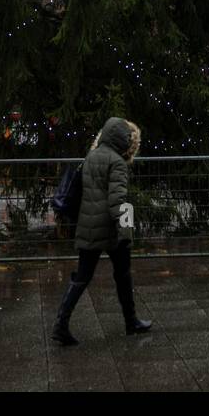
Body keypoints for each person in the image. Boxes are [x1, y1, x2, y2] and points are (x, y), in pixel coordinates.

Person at [51, 117, 152, 346]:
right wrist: (126, 230)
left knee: (82, 277)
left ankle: (61, 324)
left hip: (89, 227)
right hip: (111, 231)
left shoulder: (91, 156)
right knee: (123, 276)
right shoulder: (117, 162)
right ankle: (131, 321)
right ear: (124, 140)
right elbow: (118, 201)